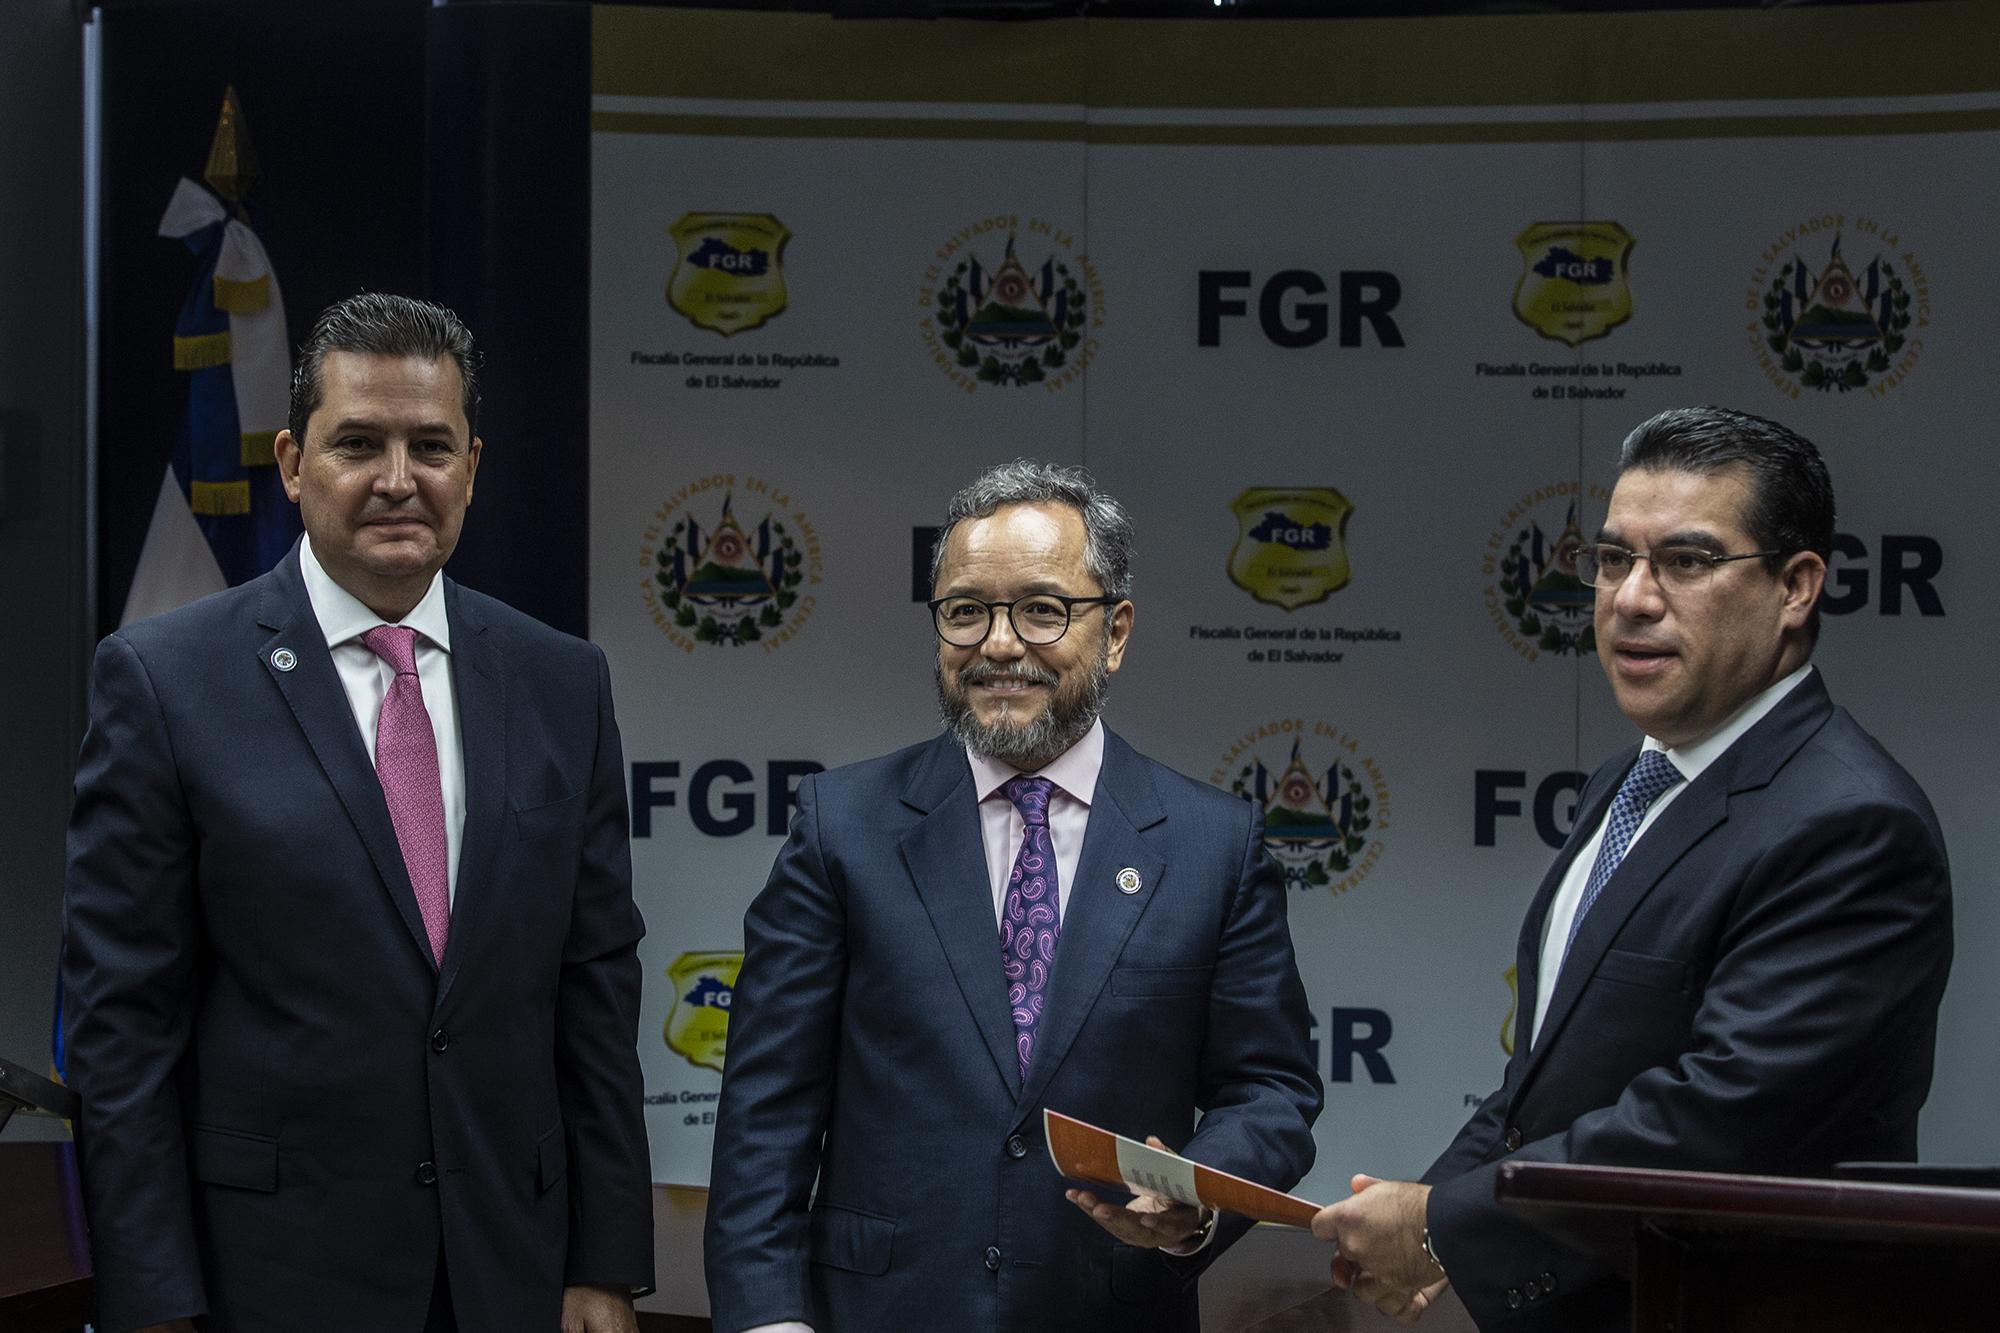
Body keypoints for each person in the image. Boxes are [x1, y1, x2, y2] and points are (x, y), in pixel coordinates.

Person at [62, 293, 654, 1333]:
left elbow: (592, 989)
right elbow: (123, 1028)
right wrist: (151, 1299)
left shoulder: (564, 680)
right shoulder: (163, 681)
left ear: (473, 465)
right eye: (358, 442)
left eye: (431, 444)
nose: (397, 479)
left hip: (509, 1270)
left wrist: (603, 1262)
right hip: (267, 1281)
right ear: (293, 463)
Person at [1313, 406, 1953, 1330]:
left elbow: (1720, 1126)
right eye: (1614, 559)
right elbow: (1546, 1090)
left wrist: (1445, 1223)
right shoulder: (1634, 778)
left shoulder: (1851, 823)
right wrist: (1427, 1205)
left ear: (1797, 586)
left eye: (1686, 562)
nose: (1631, 599)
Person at [703, 460, 1322, 1333]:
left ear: (1115, 632)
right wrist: (769, 1321)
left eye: (1042, 609)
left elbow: (1271, 1089)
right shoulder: (842, 826)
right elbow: (766, 1112)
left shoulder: (1213, 844)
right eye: (967, 611)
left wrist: (1195, 1195)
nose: (999, 643)